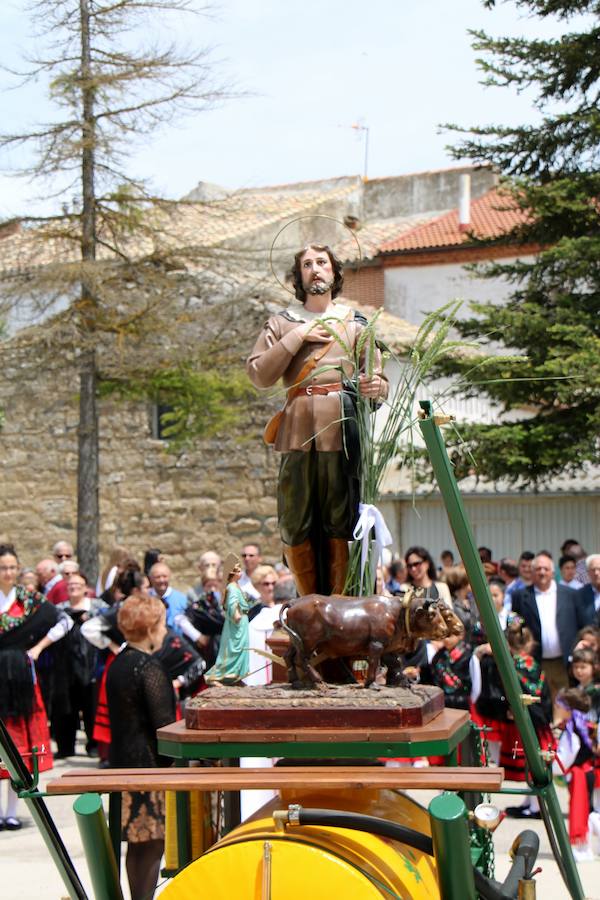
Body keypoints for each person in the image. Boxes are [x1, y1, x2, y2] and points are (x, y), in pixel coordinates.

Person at [246, 243, 388, 596]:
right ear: (299, 276)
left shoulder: (356, 325)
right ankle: (308, 600)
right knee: (295, 518)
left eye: (321, 262)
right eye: (307, 264)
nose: (315, 269)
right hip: (298, 430)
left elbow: (379, 384)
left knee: (339, 516)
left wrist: (375, 387)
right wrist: (298, 337)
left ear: (335, 272)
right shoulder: (281, 323)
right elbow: (259, 374)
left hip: (341, 430)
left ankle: (338, 600)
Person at [106, 593, 176, 900]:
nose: (165, 630)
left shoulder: (118, 663)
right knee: (150, 843)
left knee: (137, 845)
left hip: (123, 762)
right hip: (147, 766)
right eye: (161, 623)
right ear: (149, 627)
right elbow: (163, 724)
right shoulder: (148, 668)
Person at [0, 544, 72, 830]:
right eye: (3, 568)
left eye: (12, 568)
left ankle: (11, 811)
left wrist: (39, 647)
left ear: (18, 570)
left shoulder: (30, 600)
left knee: (18, 744)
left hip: (19, 680)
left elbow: (64, 621)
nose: (8, 573)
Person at [511, 552, 586, 703]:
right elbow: (516, 625)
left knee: (566, 702)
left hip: (564, 662)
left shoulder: (570, 594)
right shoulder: (521, 596)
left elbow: (581, 624)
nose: (542, 572)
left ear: (553, 572)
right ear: (532, 572)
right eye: (538, 569)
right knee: (542, 701)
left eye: (545, 568)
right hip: (536, 661)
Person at [205, 555, 251, 685]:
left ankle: (234, 676)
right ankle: (217, 676)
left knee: (240, 649)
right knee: (233, 649)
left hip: (241, 622)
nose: (240, 573)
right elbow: (231, 604)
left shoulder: (235, 586)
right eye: (237, 571)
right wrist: (236, 615)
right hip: (237, 622)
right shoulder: (232, 587)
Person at [148, 561, 188, 634]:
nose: (161, 580)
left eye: (164, 576)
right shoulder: (145, 599)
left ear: (169, 577)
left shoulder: (182, 600)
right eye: (157, 577)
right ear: (150, 579)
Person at [579, 555, 600, 625]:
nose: (596, 573)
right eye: (593, 570)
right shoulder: (579, 595)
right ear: (588, 573)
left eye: (599, 569)